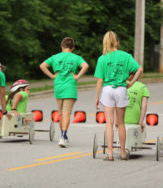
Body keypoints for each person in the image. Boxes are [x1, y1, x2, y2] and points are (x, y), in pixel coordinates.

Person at [95, 31, 143, 161]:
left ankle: (110, 154)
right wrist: (131, 83)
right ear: (117, 42)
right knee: (121, 123)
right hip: (121, 89)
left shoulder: (102, 58)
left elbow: (100, 80)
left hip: (107, 90)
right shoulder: (125, 56)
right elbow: (139, 70)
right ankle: (122, 152)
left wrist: (96, 97)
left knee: (109, 123)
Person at [40, 37, 89, 148]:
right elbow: (86, 65)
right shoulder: (76, 57)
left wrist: (52, 76)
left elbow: (42, 65)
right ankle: (63, 136)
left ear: (62, 46)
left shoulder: (55, 57)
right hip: (70, 88)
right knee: (67, 113)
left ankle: (63, 136)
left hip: (58, 87)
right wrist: (77, 77)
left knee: (61, 113)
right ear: (72, 48)